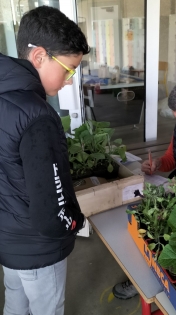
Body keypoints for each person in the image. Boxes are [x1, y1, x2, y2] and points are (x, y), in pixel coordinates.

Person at [0, 6, 89, 315]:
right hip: (38, 246)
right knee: (47, 308)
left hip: (9, 236)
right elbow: (51, 208)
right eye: (68, 69)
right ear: (39, 56)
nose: (68, 80)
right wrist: (75, 222)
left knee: (14, 300)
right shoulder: (36, 116)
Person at [113, 80, 176, 300]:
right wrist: (156, 164)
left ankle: (164, 284)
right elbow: (171, 159)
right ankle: (144, 277)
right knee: (147, 225)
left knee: (170, 236)